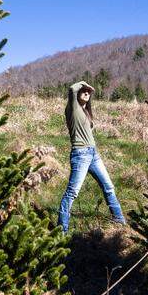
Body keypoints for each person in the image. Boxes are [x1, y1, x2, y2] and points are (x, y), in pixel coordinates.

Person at [57, 80, 125, 232]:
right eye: (84, 91)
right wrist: (84, 84)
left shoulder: (85, 112)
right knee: (72, 192)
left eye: (89, 92)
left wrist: (86, 89)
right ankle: (62, 230)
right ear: (78, 94)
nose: (87, 93)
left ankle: (119, 221)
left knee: (108, 187)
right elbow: (71, 88)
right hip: (80, 155)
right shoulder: (73, 108)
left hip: (93, 154)